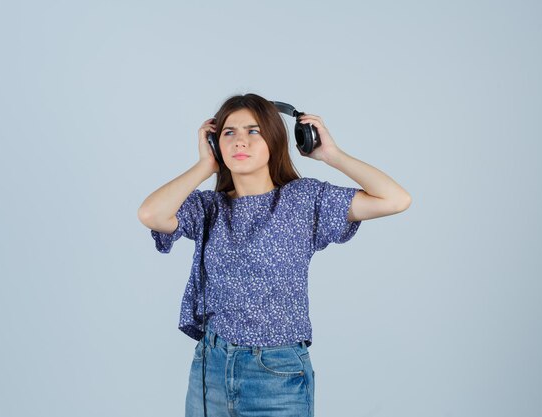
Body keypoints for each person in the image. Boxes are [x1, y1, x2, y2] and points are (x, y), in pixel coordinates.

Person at [137, 93, 411, 417]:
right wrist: (203, 166)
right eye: (229, 133)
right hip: (210, 369)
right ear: (215, 144)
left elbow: (395, 199)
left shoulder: (303, 200)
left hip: (275, 376)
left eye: (253, 131)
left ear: (274, 141)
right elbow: (150, 214)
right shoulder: (209, 208)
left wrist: (332, 155)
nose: (240, 141)